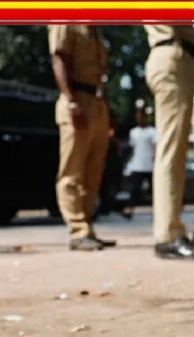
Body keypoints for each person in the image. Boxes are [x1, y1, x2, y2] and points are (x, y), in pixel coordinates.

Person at [144, 25, 194, 260]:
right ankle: (168, 235)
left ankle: (171, 231)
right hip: (172, 55)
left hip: (180, 57)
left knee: (176, 151)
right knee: (171, 151)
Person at [48, 25, 115, 251]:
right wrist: (71, 101)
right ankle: (77, 230)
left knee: (92, 172)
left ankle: (88, 227)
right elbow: (59, 58)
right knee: (72, 171)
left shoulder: (95, 28)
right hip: (76, 100)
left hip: (96, 101)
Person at [125, 106, 156, 208]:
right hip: (137, 165)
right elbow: (132, 148)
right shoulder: (133, 132)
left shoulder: (152, 131)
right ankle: (130, 208)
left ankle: (156, 208)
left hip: (149, 165)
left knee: (153, 189)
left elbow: (155, 146)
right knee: (135, 188)